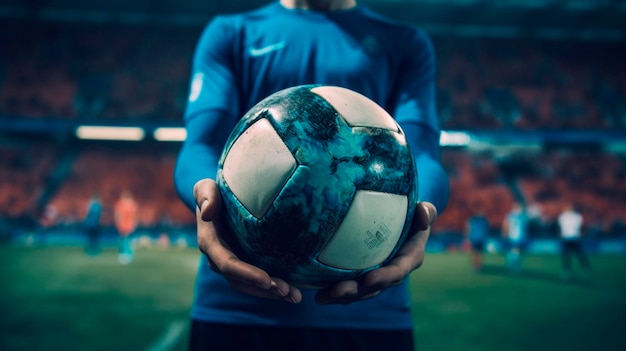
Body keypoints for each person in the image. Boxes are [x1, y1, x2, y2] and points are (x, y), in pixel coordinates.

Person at [174, 1, 450, 350]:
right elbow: (200, 146)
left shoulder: (405, 43)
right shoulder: (232, 34)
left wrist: (423, 213)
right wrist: (203, 195)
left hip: (370, 310)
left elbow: (421, 153)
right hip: (237, 308)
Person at [557, 203, 591, 280]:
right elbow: (561, 227)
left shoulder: (576, 216)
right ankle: (567, 270)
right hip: (566, 238)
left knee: (579, 254)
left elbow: (579, 226)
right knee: (566, 255)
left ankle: (585, 268)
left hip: (574, 237)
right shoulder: (563, 217)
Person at [501, 202, 529, 275]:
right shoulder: (517, 216)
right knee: (515, 252)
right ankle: (514, 267)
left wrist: (504, 233)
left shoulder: (519, 216)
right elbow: (506, 225)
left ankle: (513, 265)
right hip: (514, 237)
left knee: (515, 252)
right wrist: (505, 233)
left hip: (518, 237)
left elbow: (506, 225)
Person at [114, 190, 138, 264]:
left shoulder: (120, 203)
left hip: (123, 224)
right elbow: (135, 215)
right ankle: (128, 253)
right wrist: (135, 223)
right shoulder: (133, 204)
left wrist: (117, 222)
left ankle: (125, 254)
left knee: (123, 239)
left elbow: (117, 214)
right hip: (130, 224)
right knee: (128, 239)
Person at [465, 207, 489, 273]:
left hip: (477, 239)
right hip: (478, 239)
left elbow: (468, 229)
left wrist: (467, 238)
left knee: (476, 253)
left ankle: (477, 267)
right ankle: (477, 267)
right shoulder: (483, 220)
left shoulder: (474, 220)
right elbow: (486, 229)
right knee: (478, 253)